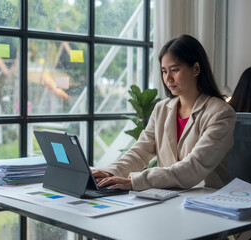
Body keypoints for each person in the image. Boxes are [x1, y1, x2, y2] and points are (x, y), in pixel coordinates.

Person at [92, 34, 236, 191]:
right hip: (167, 197)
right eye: (164, 71)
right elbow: (140, 152)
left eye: (175, 70)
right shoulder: (162, 109)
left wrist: (134, 182)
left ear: (196, 69)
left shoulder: (220, 113)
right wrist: (108, 172)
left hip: (205, 199)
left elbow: (193, 167)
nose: (168, 79)